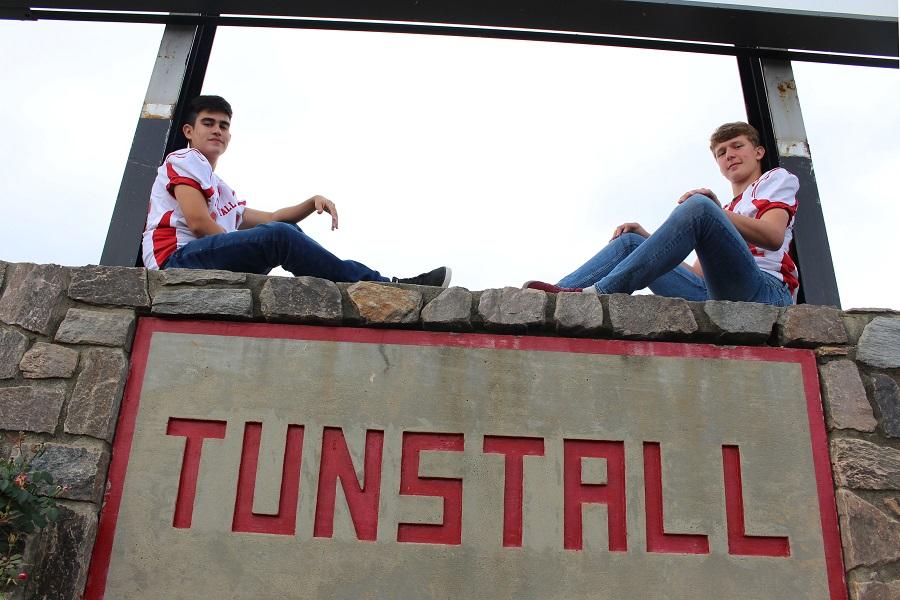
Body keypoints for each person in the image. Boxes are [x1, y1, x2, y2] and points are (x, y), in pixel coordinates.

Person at [142, 95, 451, 287]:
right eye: (208, 123)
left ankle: (364, 282)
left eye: (223, 125)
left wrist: (310, 202)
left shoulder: (219, 189)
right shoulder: (185, 159)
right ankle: (377, 284)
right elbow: (197, 222)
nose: (217, 130)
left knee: (282, 228)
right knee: (279, 236)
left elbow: (273, 217)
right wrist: (252, 242)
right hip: (175, 261)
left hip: (205, 256)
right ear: (189, 131)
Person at [524, 122, 799, 306]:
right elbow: (698, 275)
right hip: (715, 295)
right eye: (721, 152)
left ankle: (601, 292)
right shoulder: (726, 211)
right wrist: (647, 239)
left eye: (738, 146)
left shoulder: (774, 180)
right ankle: (553, 301)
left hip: (765, 292)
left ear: (759, 152)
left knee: (698, 206)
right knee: (631, 241)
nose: (729, 155)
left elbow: (773, 236)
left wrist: (713, 211)